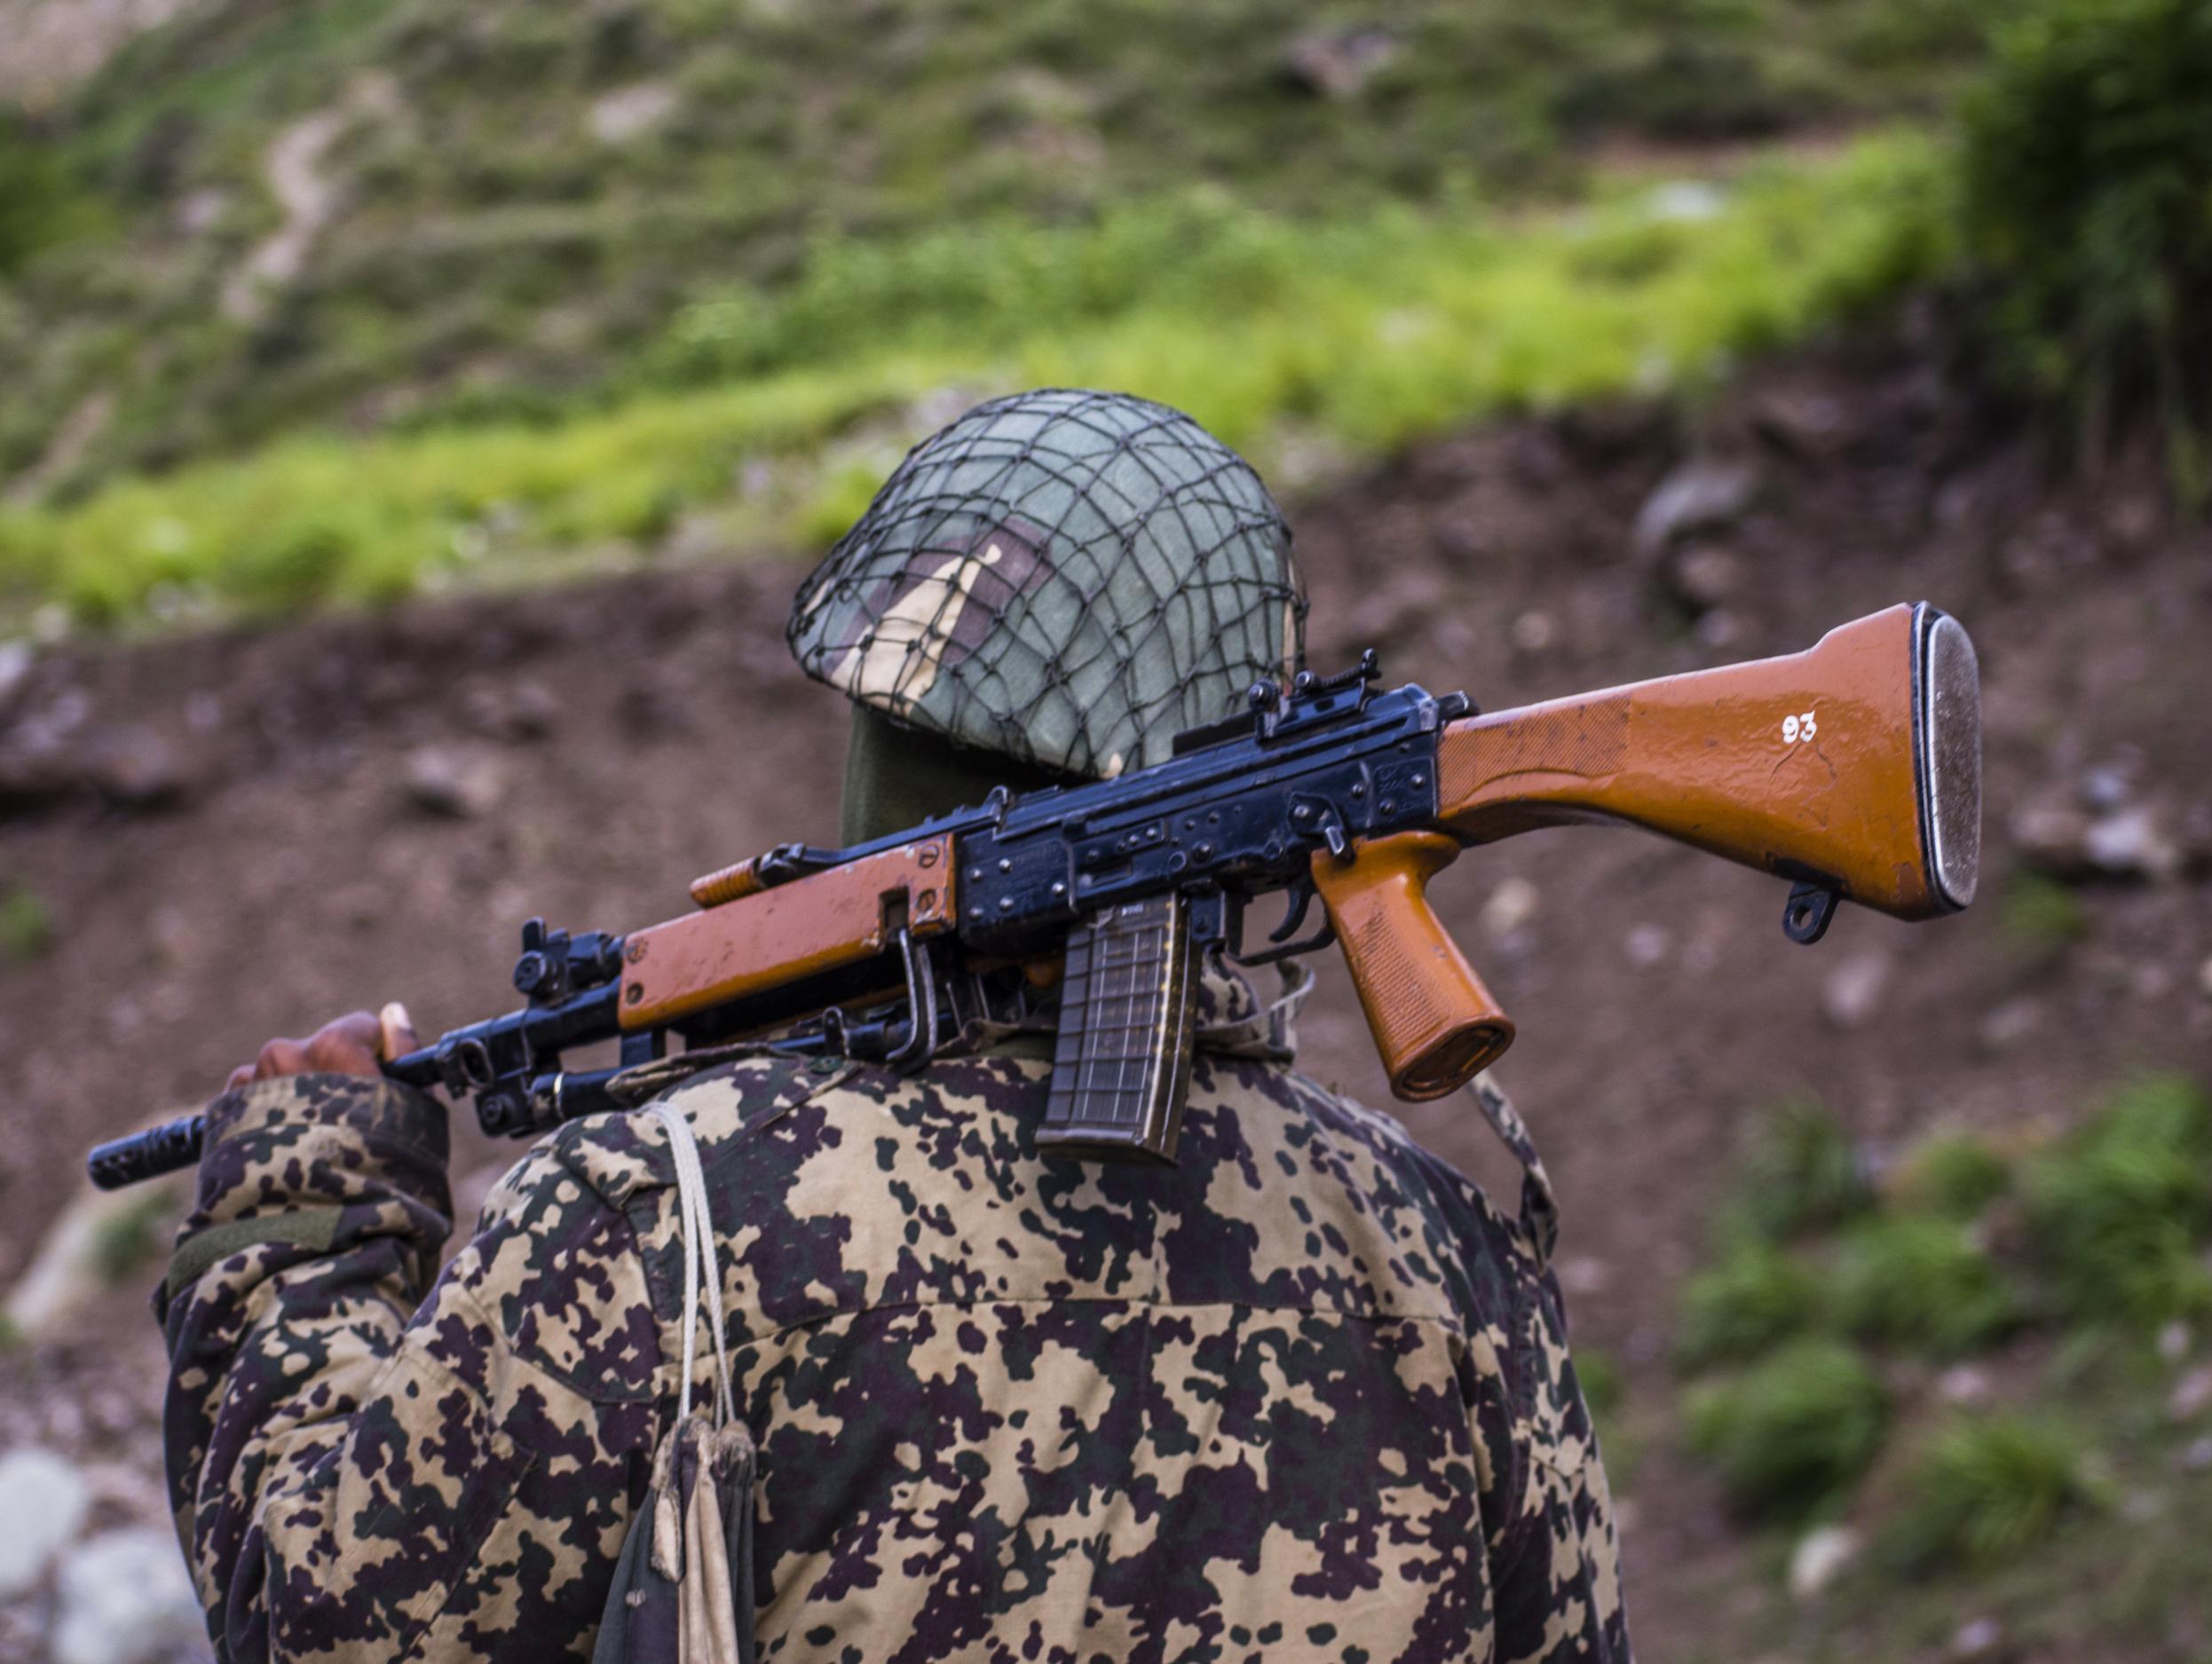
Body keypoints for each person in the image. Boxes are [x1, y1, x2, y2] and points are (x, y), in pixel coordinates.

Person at [158, 390, 1631, 1661]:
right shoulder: (1448, 1260)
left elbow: (317, 1626)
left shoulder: (670, 1218)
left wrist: (304, 1210)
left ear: (885, 728)